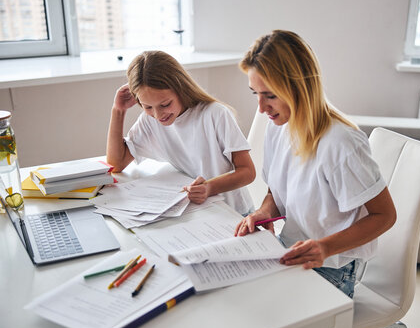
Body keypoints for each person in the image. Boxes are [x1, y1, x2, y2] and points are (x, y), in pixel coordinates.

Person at [234, 30, 396, 297]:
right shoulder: (278, 127)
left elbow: (385, 215)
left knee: (251, 309)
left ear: (299, 86)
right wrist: (265, 211)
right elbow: (275, 190)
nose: (261, 108)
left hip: (331, 268)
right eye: (256, 94)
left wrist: (325, 248)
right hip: (288, 250)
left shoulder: (342, 142)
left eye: (270, 95)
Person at [107, 50, 255, 215]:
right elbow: (116, 164)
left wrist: (209, 187)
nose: (158, 115)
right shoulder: (150, 121)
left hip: (233, 212)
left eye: (165, 104)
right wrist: (118, 111)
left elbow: (247, 172)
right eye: (147, 107)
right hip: (197, 212)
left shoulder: (215, 114)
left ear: (180, 89)